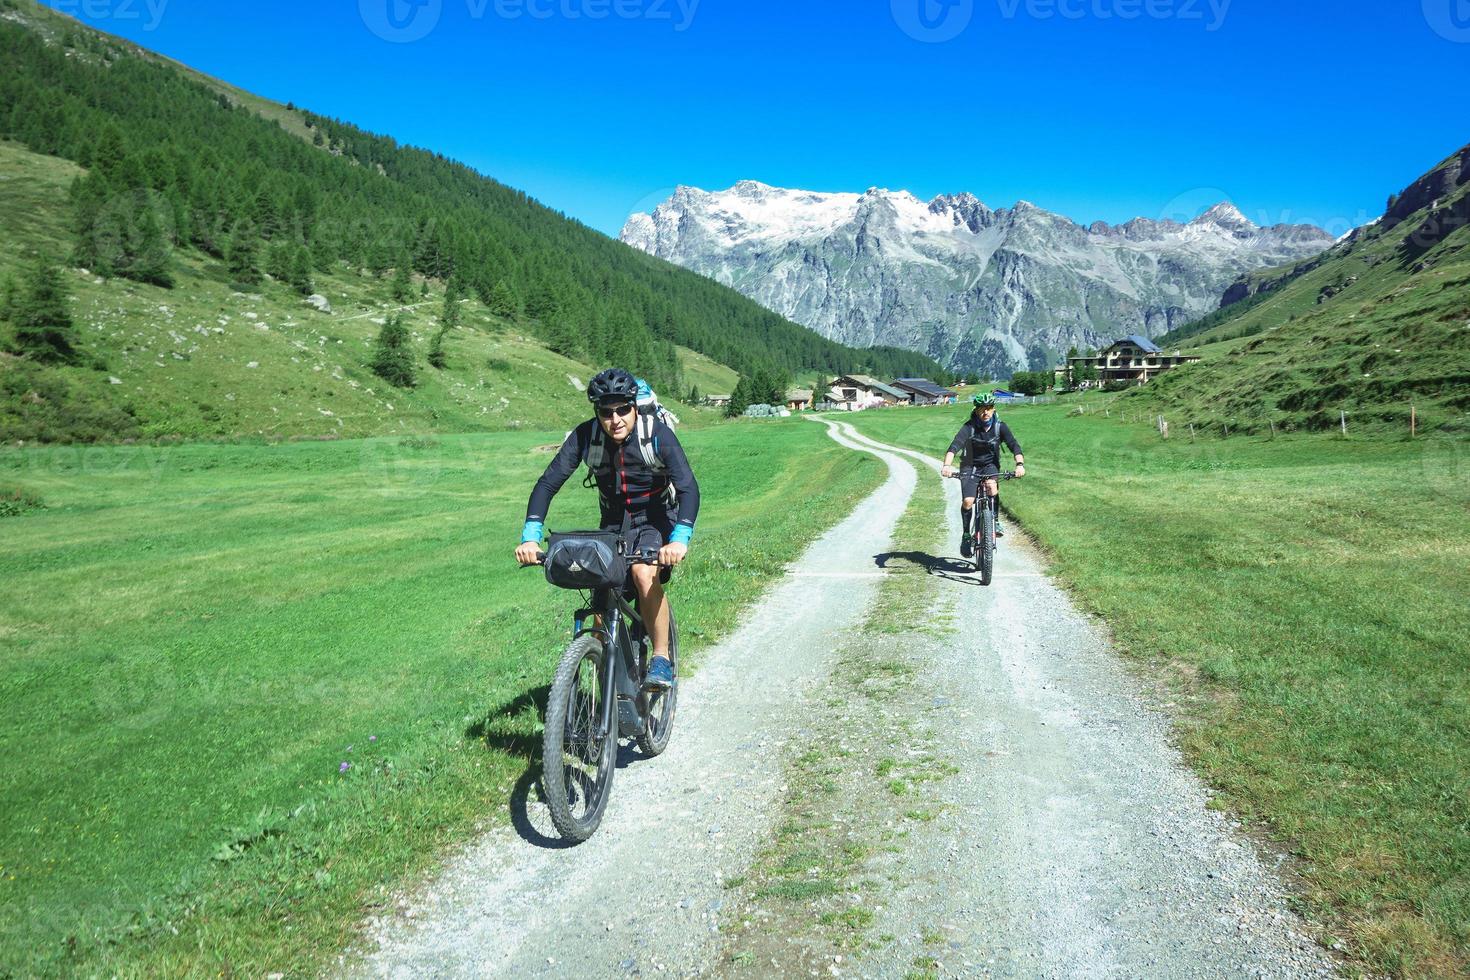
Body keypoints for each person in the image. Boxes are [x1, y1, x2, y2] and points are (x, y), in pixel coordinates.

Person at [516, 368, 699, 690]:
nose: (615, 419)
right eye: (605, 411)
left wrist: (679, 540)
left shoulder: (656, 433)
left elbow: (688, 488)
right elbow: (547, 484)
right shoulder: (586, 436)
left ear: (634, 406)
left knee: (644, 574)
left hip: (656, 516)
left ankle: (661, 659)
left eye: (622, 410)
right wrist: (530, 536)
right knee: (599, 584)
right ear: (597, 412)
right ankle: (604, 664)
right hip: (612, 522)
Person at [940, 393, 1025, 557]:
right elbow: (954, 446)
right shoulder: (969, 427)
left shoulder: (1000, 427)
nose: (985, 412)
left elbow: (1014, 446)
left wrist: (1019, 464)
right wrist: (946, 465)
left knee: (992, 487)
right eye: (981, 409)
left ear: (993, 409)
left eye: (988, 408)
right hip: (969, 466)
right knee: (968, 501)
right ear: (976, 410)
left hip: (990, 465)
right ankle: (966, 534)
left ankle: (996, 521)